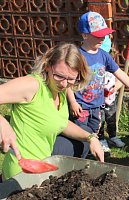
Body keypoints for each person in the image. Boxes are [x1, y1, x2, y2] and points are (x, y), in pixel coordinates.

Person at [0, 43, 104, 180]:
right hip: (22, 172)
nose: (64, 84)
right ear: (47, 66)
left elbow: (60, 123)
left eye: (71, 79)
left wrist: (91, 138)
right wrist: (2, 123)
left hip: (44, 165)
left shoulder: (59, 92)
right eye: (59, 76)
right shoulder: (32, 85)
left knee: (84, 137)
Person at [53, 11, 129, 157]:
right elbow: (67, 83)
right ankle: (77, 158)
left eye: (104, 34)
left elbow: (120, 73)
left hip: (97, 106)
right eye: (98, 35)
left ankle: (90, 157)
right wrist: (72, 102)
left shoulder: (104, 55)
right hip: (81, 107)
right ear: (85, 35)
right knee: (81, 136)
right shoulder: (77, 56)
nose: (103, 38)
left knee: (94, 133)